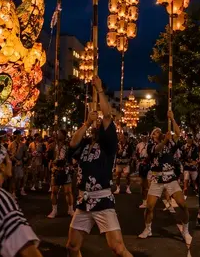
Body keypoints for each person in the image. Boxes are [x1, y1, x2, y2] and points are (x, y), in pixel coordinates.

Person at [66, 77, 132, 257]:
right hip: (83, 201)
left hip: (102, 199)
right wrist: (86, 123)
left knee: (118, 249)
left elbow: (108, 116)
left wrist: (100, 90)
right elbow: (72, 144)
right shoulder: (85, 143)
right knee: (72, 247)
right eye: (94, 124)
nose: (97, 125)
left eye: (98, 124)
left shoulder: (108, 144)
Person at [138, 109, 192, 247]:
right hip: (156, 179)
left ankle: (186, 230)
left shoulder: (170, 143)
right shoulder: (150, 146)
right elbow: (156, 151)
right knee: (149, 207)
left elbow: (178, 134)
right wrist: (165, 141)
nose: (157, 132)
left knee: (183, 205)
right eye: (155, 132)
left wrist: (173, 119)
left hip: (171, 178)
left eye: (158, 131)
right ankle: (148, 228)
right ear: (152, 136)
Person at [48, 128, 74, 218]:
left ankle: (70, 209)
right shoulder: (52, 145)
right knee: (54, 191)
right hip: (56, 170)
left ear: (64, 135)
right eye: (57, 133)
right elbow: (50, 157)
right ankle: (54, 210)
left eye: (59, 133)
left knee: (68, 192)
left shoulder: (68, 145)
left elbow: (72, 156)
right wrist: (51, 165)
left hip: (66, 170)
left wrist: (71, 165)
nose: (57, 135)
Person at [10, 130, 28, 198]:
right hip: (14, 163)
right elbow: (9, 154)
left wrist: (25, 158)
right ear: (16, 136)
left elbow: (26, 153)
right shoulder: (11, 144)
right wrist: (15, 160)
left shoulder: (22, 144)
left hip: (20, 163)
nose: (21, 136)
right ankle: (13, 192)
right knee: (14, 178)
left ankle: (19, 190)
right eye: (20, 135)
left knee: (20, 177)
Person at [135, 134, 150, 208]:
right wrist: (139, 160)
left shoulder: (150, 144)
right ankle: (144, 201)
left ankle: (149, 201)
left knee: (149, 184)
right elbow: (136, 153)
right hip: (141, 164)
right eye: (143, 136)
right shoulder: (139, 145)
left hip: (149, 165)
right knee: (143, 184)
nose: (144, 138)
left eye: (146, 136)